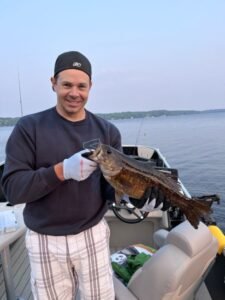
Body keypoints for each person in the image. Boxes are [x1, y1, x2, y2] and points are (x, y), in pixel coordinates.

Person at [1, 51, 166, 300]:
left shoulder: (107, 131)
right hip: (46, 240)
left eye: (81, 86)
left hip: (93, 234)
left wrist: (136, 196)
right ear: (53, 83)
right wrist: (60, 171)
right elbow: (13, 189)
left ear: (90, 86)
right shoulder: (29, 128)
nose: (74, 93)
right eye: (66, 84)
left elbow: (111, 190)